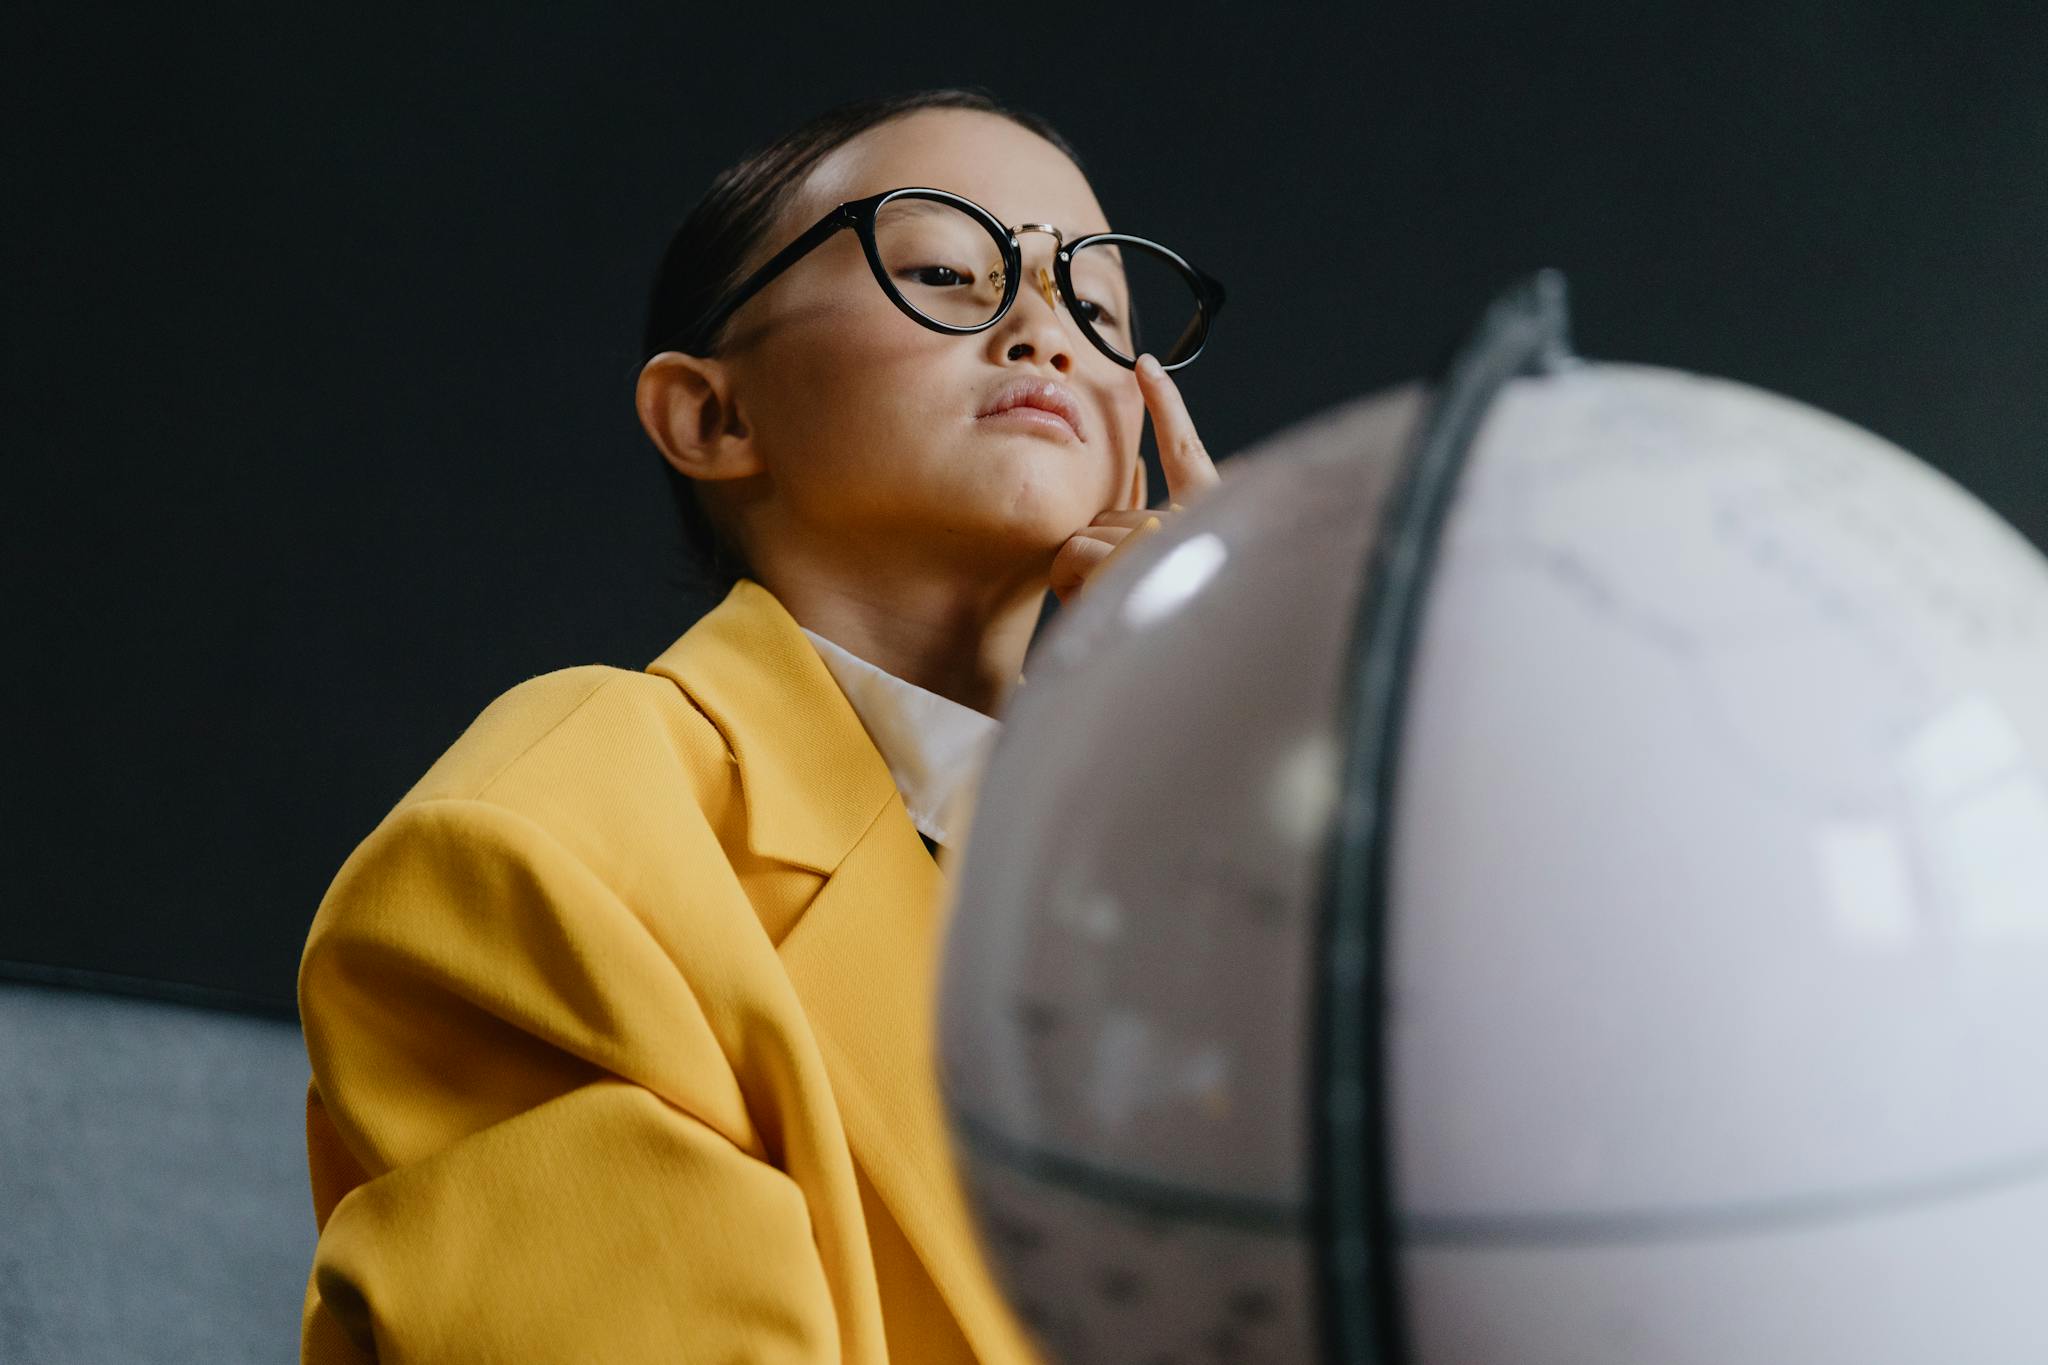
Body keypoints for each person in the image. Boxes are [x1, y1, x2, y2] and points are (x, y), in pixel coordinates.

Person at [296, 85, 1224, 1363]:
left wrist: (1249, 720)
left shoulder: (1198, 882)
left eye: (1099, 307)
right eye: (948, 269)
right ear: (711, 415)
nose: (1043, 328)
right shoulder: (547, 841)